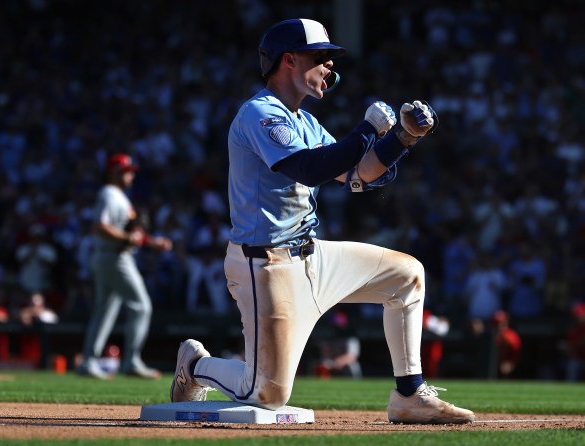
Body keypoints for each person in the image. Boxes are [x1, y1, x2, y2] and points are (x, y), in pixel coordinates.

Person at [170, 18, 474, 424]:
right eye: (321, 57)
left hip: (313, 255)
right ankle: (195, 364)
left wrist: (401, 138)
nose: (330, 66)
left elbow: (361, 174)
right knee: (267, 394)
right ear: (290, 60)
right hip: (266, 265)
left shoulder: (306, 121)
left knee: (407, 275)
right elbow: (309, 169)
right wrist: (368, 129)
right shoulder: (260, 112)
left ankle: (409, 394)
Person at [77, 153, 172, 380]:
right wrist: (126, 239)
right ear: (114, 172)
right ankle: (131, 361)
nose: (131, 175)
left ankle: (89, 361)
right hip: (115, 257)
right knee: (141, 306)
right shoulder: (110, 194)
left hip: (110, 255)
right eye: (126, 171)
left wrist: (150, 242)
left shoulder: (118, 196)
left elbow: (131, 235)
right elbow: (100, 226)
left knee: (104, 311)